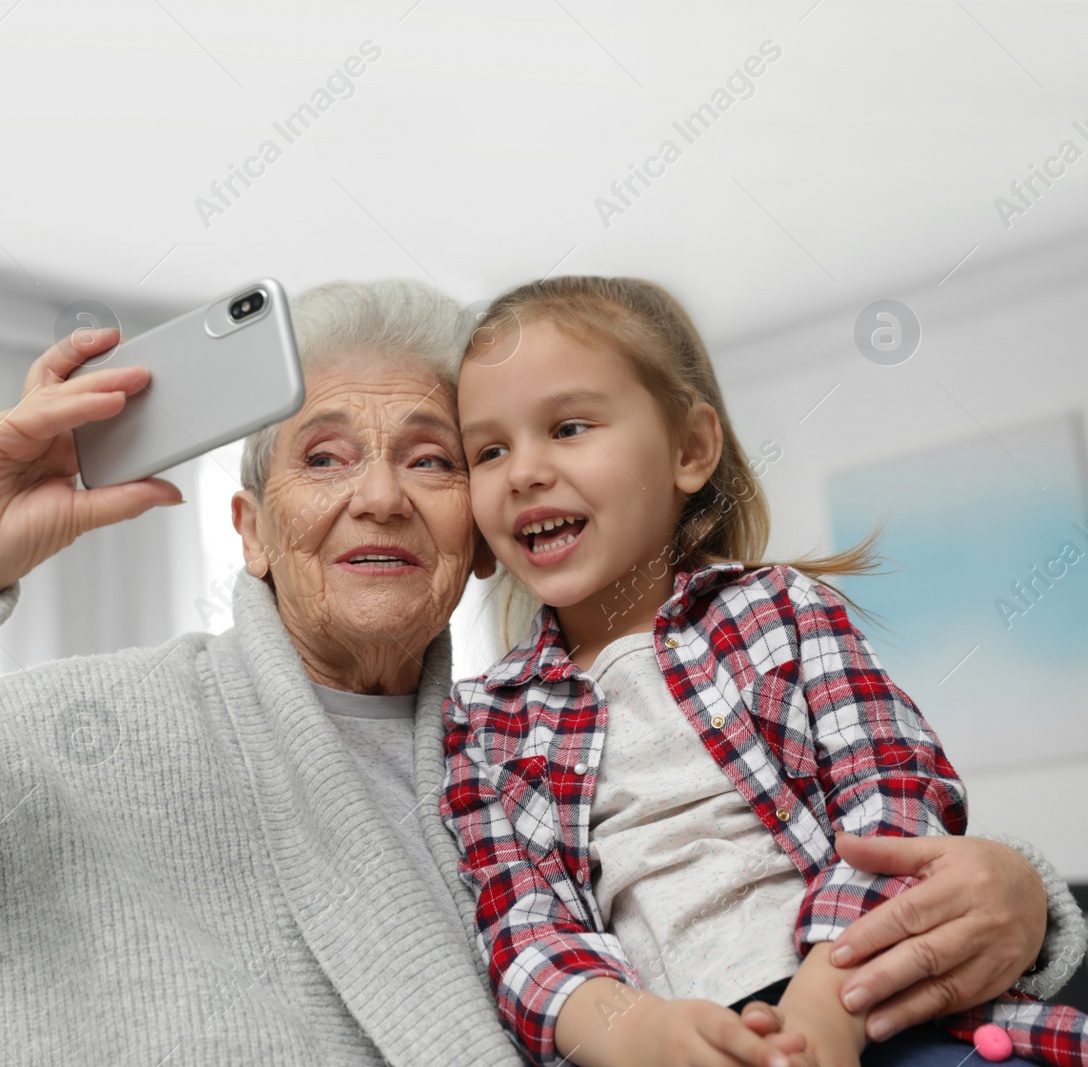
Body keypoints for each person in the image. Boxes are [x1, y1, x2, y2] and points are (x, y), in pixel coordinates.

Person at [0, 280, 1080, 1066]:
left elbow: (763, 897)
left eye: (431, 455)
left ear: (483, 540)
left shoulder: (527, 767)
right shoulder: (48, 741)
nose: (384, 496)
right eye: (325, 454)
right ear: (250, 527)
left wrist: (1027, 897)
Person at [440, 275, 1088, 1067]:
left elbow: (891, 795)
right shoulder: (484, 723)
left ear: (690, 450)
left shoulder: (781, 610)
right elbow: (524, 932)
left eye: (568, 426)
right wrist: (639, 1033)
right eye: (489, 450)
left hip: (882, 1010)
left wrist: (829, 1004)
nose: (524, 471)